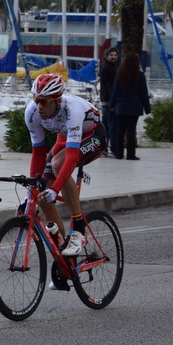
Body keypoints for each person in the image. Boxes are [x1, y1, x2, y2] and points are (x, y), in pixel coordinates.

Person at [25, 73, 106, 256]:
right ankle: (62, 254)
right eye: (36, 99)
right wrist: (32, 192)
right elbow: (38, 153)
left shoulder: (73, 110)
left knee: (57, 164)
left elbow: (70, 157)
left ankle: (79, 229)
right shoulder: (32, 112)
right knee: (42, 195)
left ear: (57, 100)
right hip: (64, 138)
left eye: (44, 102)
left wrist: (56, 190)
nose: (39, 106)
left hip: (93, 136)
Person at [111, 53, 151, 160]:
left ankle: (119, 154)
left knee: (120, 130)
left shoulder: (120, 74)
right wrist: (147, 108)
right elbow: (144, 93)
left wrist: (112, 104)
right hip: (135, 106)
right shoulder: (140, 75)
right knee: (131, 131)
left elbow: (115, 91)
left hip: (121, 106)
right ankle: (130, 154)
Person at [98, 47, 119, 156]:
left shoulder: (107, 67)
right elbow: (111, 87)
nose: (114, 57)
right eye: (112, 55)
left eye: (115, 55)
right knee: (112, 126)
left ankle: (103, 149)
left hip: (105, 100)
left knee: (105, 126)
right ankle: (113, 149)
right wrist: (113, 103)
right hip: (109, 101)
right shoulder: (109, 68)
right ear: (106, 56)